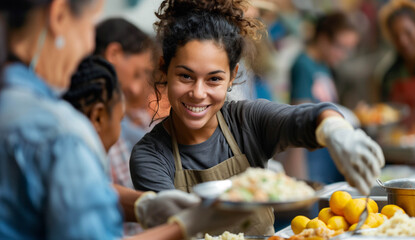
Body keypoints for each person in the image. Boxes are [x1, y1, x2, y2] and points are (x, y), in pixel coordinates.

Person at [130, 0, 384, 237]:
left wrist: (335, 129)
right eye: (186, 76)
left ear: (233, 76)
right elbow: (170, 231)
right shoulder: (150, 155)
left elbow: (309, 116)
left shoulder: (246, 120)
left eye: (214, 79)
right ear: (165, 68)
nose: (198, 93)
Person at [0, 1, 247, 239]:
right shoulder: (61, 133)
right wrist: (185, 226)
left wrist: (143, 204)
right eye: (89, 26)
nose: (89, 46)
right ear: (59, 15)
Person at [93, 17, 161, 235]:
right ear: (113, 54)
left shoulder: (121, 110)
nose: (135, 88)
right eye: (136, 73)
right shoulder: (94, 111)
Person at [288, 12, 360, 184]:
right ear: (323, 38)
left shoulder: (324, 66)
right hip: (312, 161)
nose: (343, 55)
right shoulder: (303, 65)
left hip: (328, 159)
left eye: (349, 49)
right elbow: (299, 119)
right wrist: (299, 177)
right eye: (340, 47)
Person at [376, 0, 415, 131]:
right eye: (396, 36)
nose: (403, 41)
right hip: (399, 142)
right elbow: (382, 114)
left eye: (408, 33)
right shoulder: (387, 73)